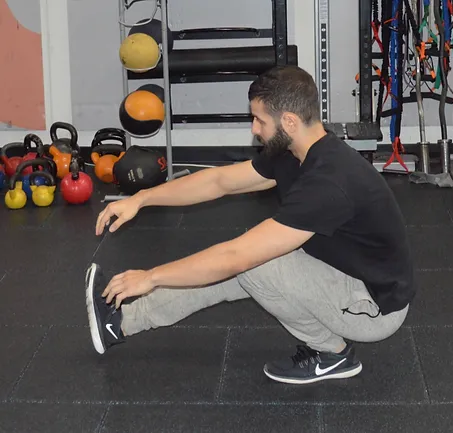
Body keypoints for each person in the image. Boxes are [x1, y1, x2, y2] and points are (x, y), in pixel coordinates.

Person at [85, 65, 415, 385]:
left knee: (251, 265)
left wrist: (151, 276)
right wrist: (141, 198)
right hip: (338, 269)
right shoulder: (294, 149)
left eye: (259, 120)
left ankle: (332, 354)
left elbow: (236, 257)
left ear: (288, 120)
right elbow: (219, 182)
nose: (254, 128)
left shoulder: (329, 182)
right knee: (242, 265)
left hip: (371, 306)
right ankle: (121, 324)